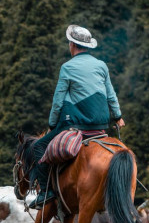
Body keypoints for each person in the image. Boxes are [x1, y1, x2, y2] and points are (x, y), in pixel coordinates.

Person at [28, 25, 125, 210]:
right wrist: (118, 116)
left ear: (72, 45)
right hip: (101, 126)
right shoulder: (102, 66)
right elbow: (111, 94)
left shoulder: (67, 67)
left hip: (76, 125)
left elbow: (58, 101)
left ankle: (45, 193)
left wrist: (51, 124)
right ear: (88, 46)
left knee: (39, 146)